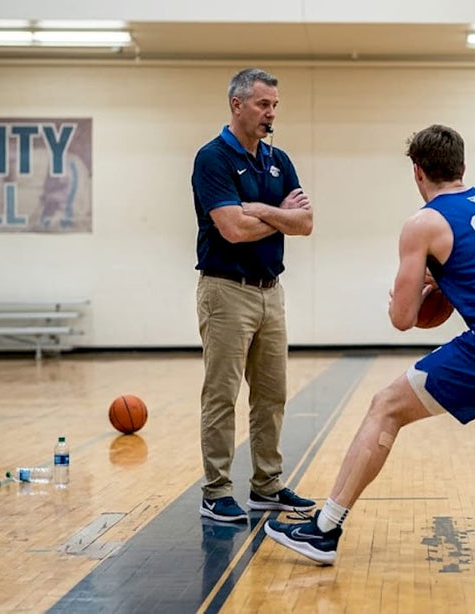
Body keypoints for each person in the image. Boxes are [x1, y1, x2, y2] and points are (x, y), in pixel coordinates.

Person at [264, 124, 475, 564]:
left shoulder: (423, 223)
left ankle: (325, 529)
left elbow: (403, 319)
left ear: (417, 172)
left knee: (385, 407)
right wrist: (456, 280)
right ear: (463, 166)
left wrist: (428, 286)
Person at [191, 68, 316, 522]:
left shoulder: (278, 159)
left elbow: (305, 223)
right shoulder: (213, 159)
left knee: (271, 395)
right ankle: (216, 491)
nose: (271, 114)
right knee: (221, 395)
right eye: (264, 105)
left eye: (275, 106)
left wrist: (264, 210)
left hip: (270, 291)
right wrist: (279, 214)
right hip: (225, 291)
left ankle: (267, 485)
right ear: (237, 105)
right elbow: (232, 228)